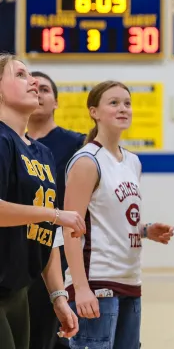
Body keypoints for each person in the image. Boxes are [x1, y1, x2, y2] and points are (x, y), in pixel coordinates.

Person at [62, 80, 174, 349]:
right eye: (113, 103)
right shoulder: (87, 160)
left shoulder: (132, 161)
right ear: (94, 112)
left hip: (130, 280)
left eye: (127, 103)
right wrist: (81, 288)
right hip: (97, 282)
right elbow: (70, 228)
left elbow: (111, 219)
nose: (123, 108)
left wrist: (145, 230)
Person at [0, 54, 84, 349]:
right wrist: (54, 214)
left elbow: (46, 234)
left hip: (19, 291)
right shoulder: (1, 140)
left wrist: (58, 297)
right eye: (20, 75)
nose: (33, 81)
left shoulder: (43, 153)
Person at [25, 71, 86, 349]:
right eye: (34, 88)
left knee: (52, 329)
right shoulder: (12, 142)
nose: (38, 94)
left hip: (58, 248)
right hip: (19, 246)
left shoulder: (77, 144)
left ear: (57, 102)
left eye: (45, 90)